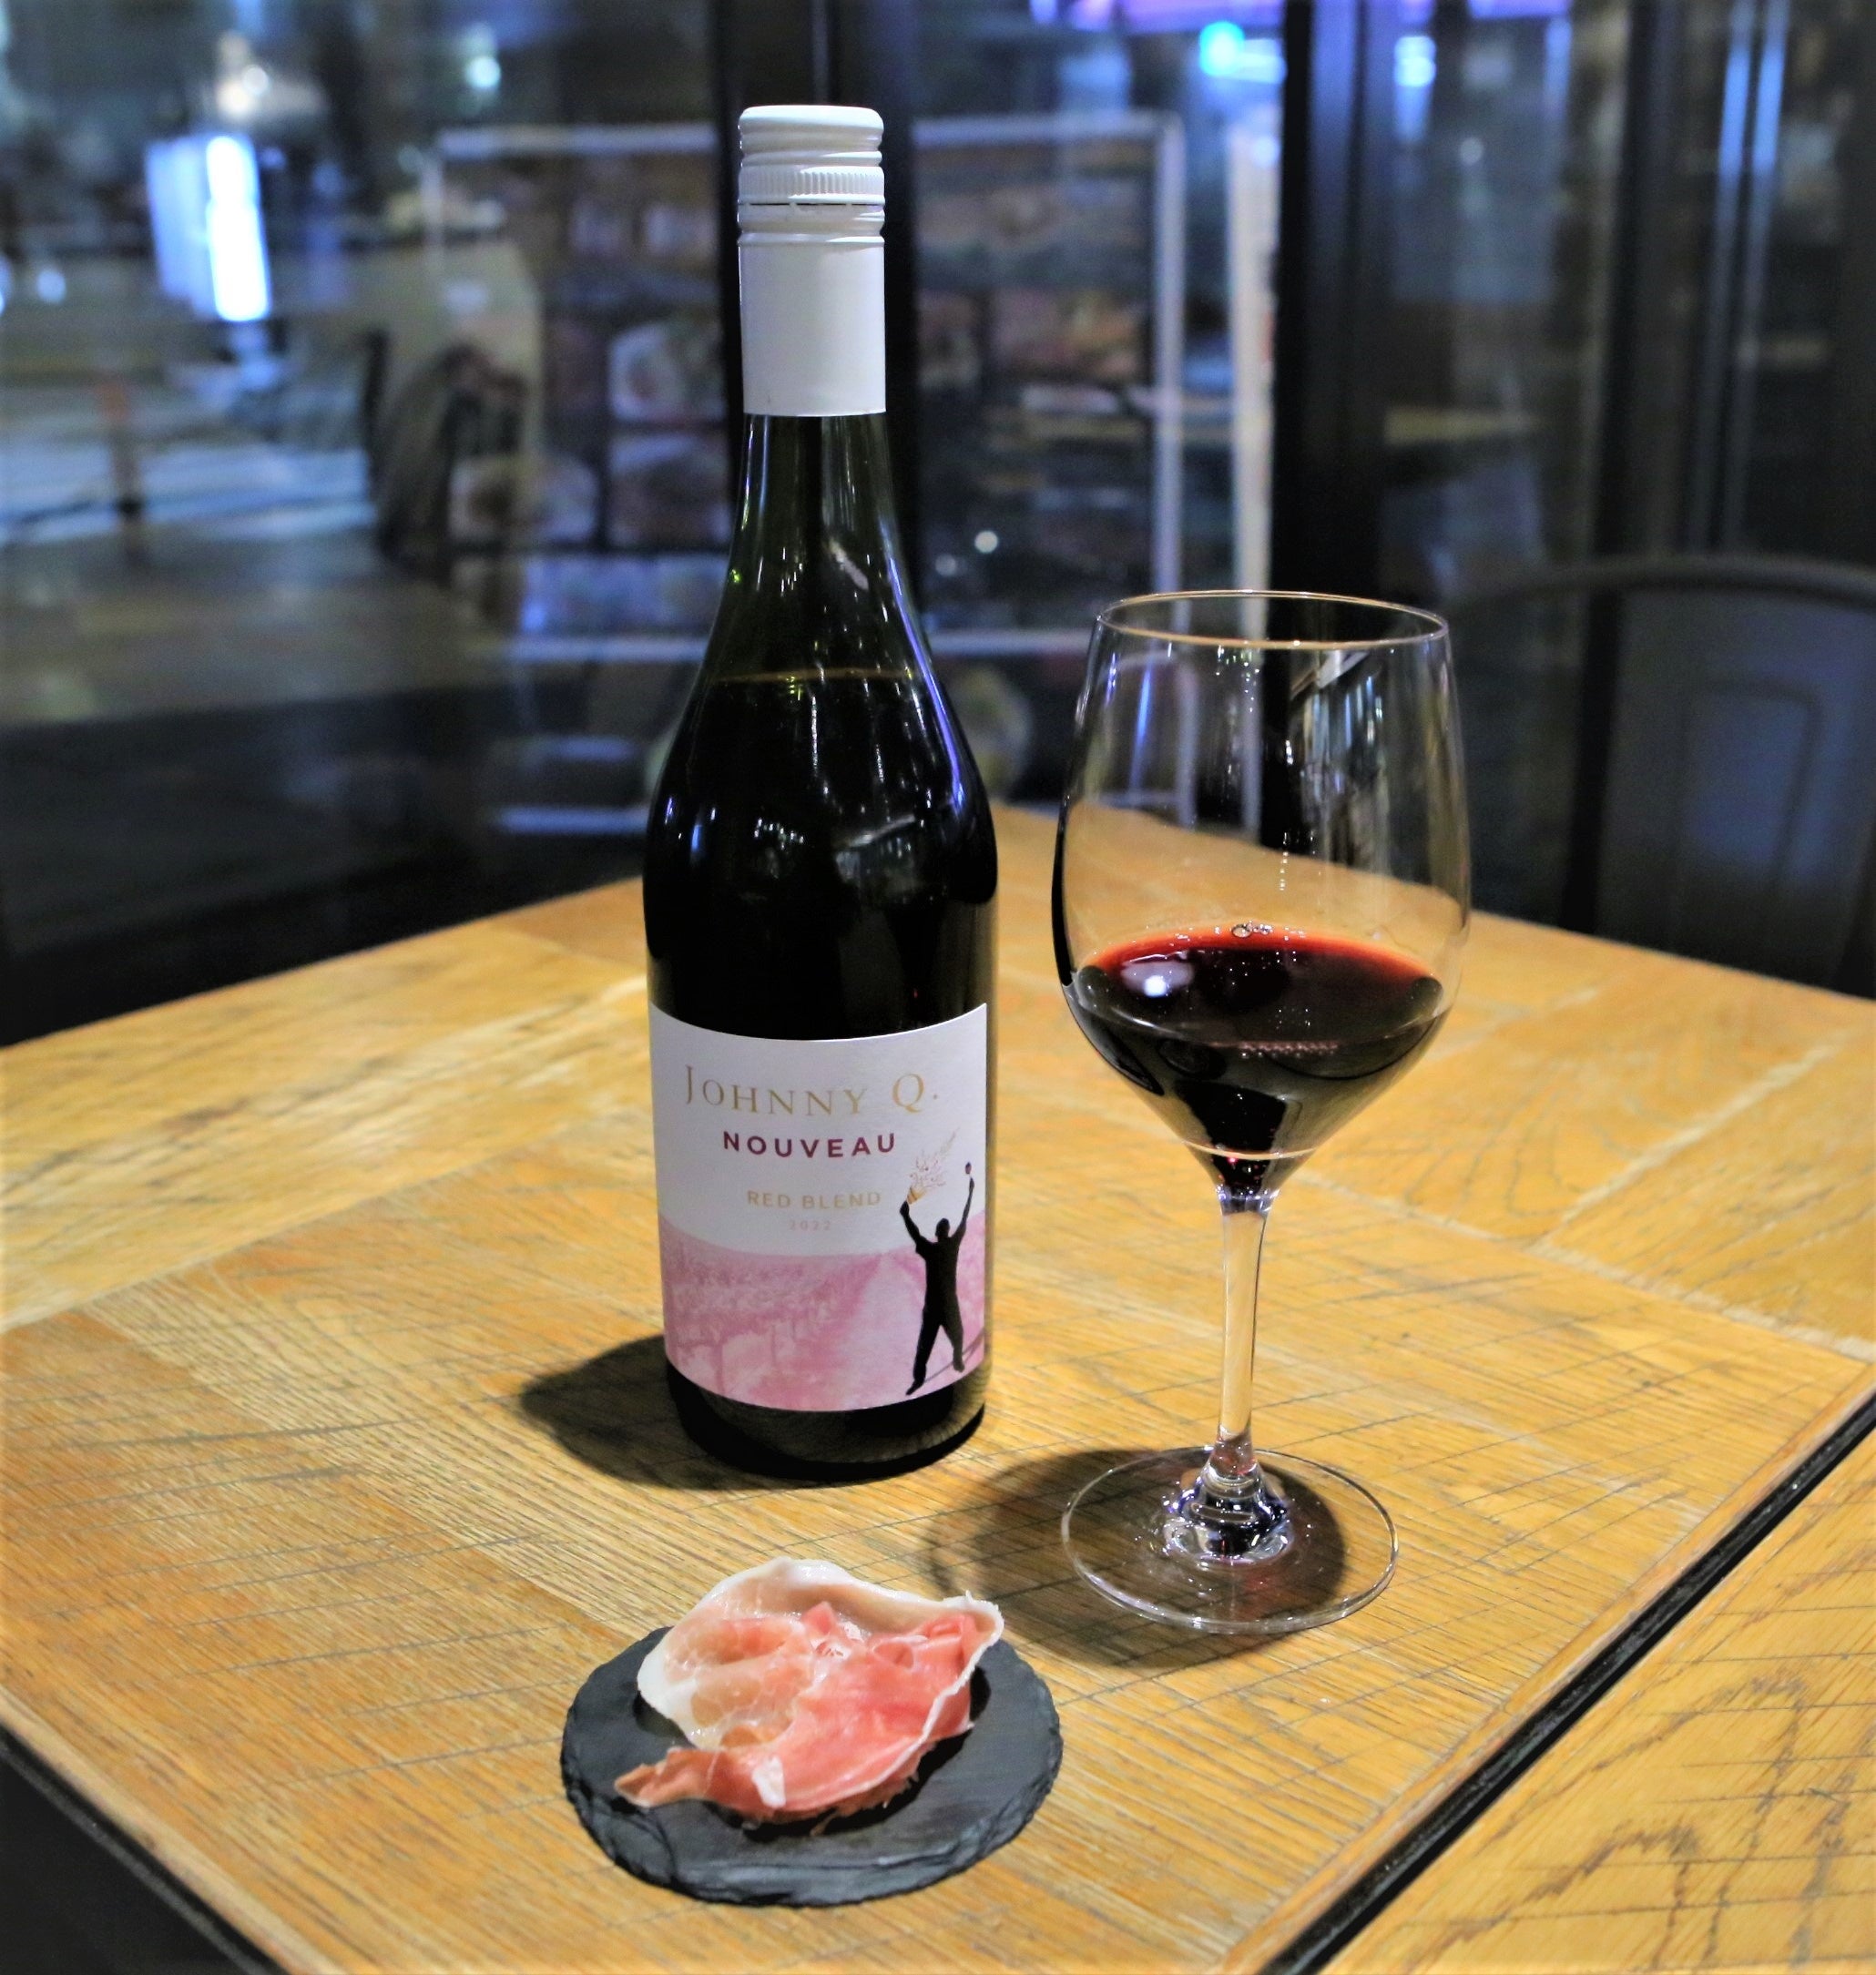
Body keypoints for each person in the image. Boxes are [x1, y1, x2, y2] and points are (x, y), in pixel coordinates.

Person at [900, 1165, 974, 1394]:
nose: (944, 1229)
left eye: (942, 1227)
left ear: (938, 1232)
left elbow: (916, 1235)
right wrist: (970, 1193)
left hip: (934, 1304)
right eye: (944, 1227)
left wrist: (906, 1216)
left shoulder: (934, 1249)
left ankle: (923, 1378)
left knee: (927, 1345)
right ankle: (953, 1361)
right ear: (946, 1230)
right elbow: (963, 1220)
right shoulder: (950, 1247)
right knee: (951, 1337)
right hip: (945, 1302)